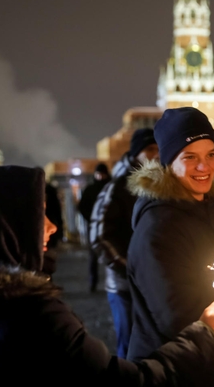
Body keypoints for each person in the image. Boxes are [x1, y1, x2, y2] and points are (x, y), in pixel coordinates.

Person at [0, 165, 214, 387]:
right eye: (39, 215)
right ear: (4, 228)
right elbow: (133, 382)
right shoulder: (34, 319)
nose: (52, 226)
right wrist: (206, 333)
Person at [126, 107, 214, 387]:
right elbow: (180, 319)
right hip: (180, 375)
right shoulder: (158, 228)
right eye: (190, 157)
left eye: (210, 155)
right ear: (169, 162)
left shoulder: (207, 210)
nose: (204, 167)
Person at [90, 128, 158, 358]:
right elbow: (99, 236)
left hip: (155, 284)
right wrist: (128, 268)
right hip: (124, 287)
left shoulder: (162, 186)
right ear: (136, 154)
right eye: (150, 149)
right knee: (130, 349)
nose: (156, 154)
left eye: (159, 149)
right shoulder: (118, 187)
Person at [78, 162, 111, 292]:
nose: (100, 176)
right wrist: (91, 219)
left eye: (102, 174)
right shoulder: (90, 189)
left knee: (110, 255)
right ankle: (93, 282)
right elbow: (82, 207)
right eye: (98, 174)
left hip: (109, 226)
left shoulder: (111, 188)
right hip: (93, 226)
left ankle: (110, 282)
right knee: (93, 256)